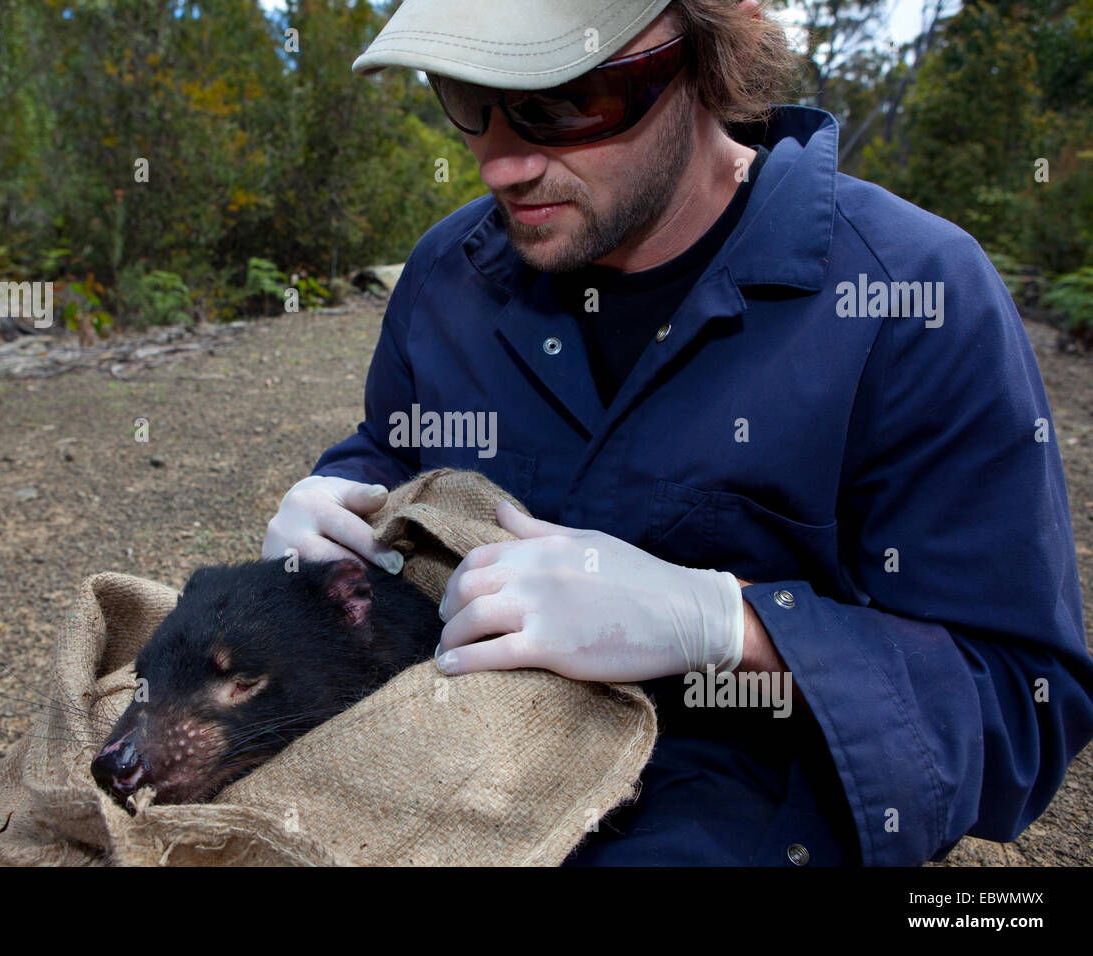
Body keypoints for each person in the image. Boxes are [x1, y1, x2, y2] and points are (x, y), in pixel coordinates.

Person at [261, 0, 1093, 865]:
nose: (501, 163)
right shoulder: (447, 276)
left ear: (697, 61)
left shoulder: (912, 296)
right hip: (442, 779)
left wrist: (727, 628)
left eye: (559, 103)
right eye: (467, 98)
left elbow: (1018, 709)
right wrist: (333, 503)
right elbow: (392, 452)